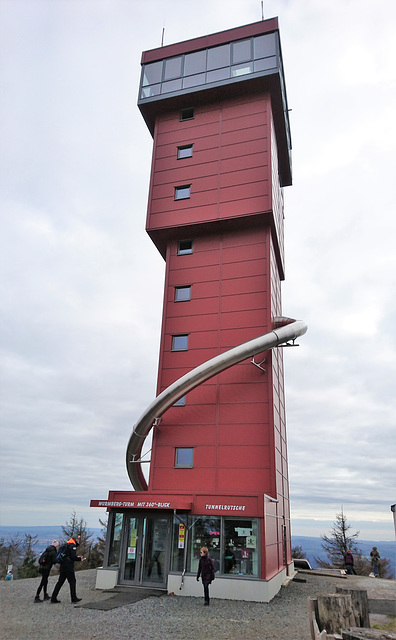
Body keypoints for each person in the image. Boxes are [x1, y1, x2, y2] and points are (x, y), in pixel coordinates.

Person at [51, 536, 85, 604]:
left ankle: (53, 597)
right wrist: (79, 559)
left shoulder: (67, 544)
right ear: (75, 539)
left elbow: (67, 555)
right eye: (78, 539)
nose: (78, 540)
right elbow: (72, 557)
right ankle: (73, 598)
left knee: (60, 582)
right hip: (68, 567)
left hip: (63, 566)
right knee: (72, 582)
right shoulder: (72, 546)